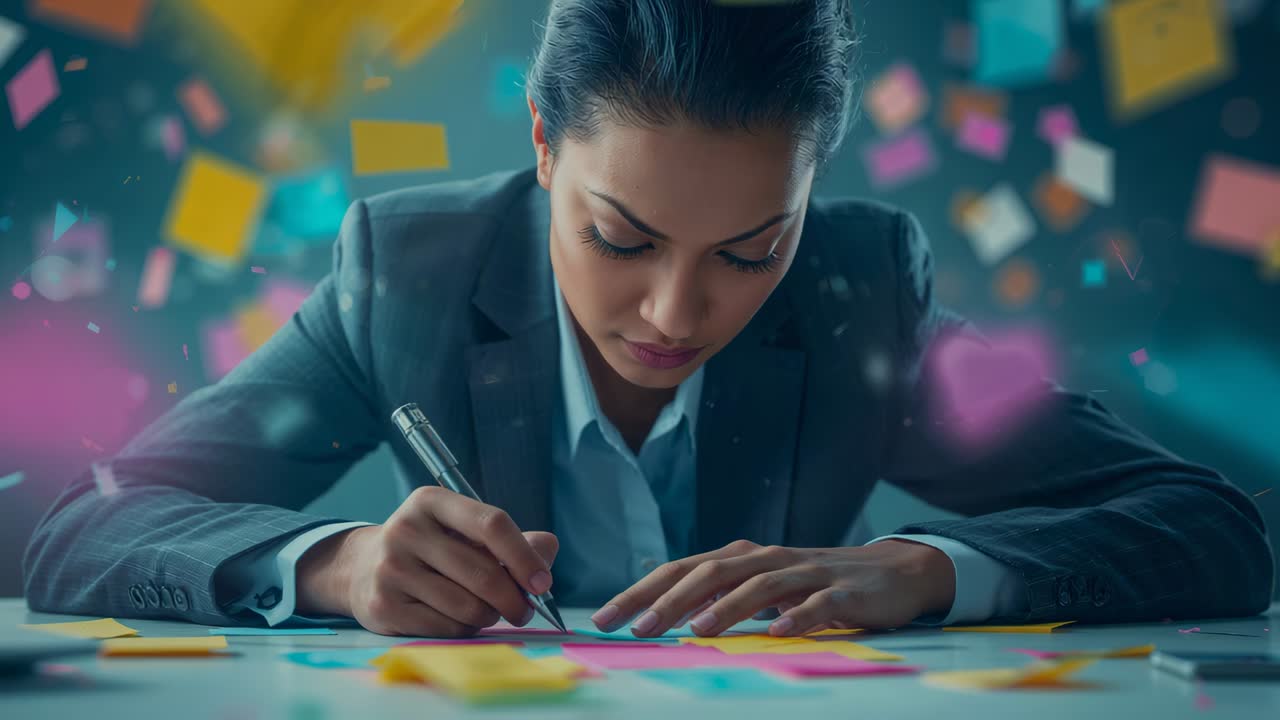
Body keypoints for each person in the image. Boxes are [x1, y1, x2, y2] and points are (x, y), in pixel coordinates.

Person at [24, 0, 1273, 640]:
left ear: (809, 198)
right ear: (541, 147)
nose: (676, 313)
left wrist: (930, 572)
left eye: (750, 250)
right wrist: (334, 564)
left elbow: (1211, 529)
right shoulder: (405, 272)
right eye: (619, 238)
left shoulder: (859, 295)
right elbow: (84, 524)